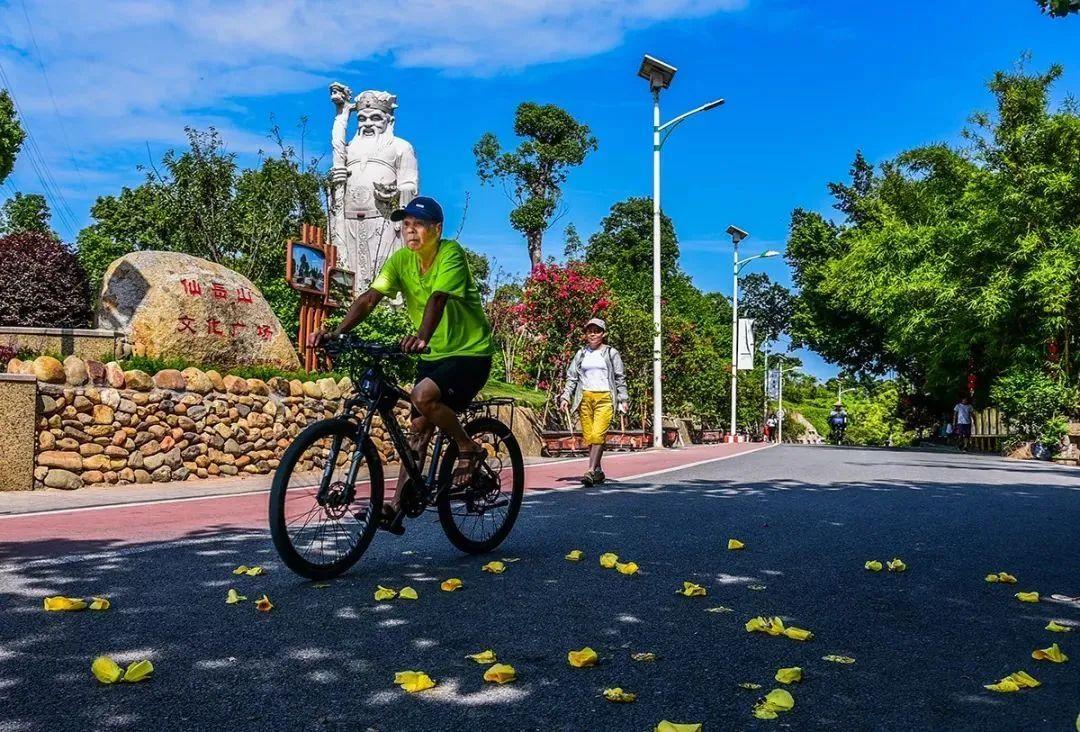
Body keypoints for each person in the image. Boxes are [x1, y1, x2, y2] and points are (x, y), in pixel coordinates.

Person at [310, 196, 494, 534]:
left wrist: (421, 336)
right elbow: (369, 299)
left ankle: (467, 446)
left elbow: (438, 298)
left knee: (422, 396)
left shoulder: (450, 254)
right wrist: (337, 331)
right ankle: (396, 506)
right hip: (433, 355)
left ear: (437, 229)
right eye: (406, 224)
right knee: (419, 428)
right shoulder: (399, 262)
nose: (410, 230)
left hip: (470, 353)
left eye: (418, 224)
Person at [558, 317, 629, 486]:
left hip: (605, 398)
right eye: (590, 331)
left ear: (603, 334)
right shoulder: (581, 354)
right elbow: (572, 377)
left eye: (597, 331)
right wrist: (565, 397)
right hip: (585, 398)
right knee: (590, 437)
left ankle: (590, 470)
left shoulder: (611, 353)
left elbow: (620, 378)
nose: (593, 334)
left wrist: (623, 399)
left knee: (598, 434)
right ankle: (598, 471)